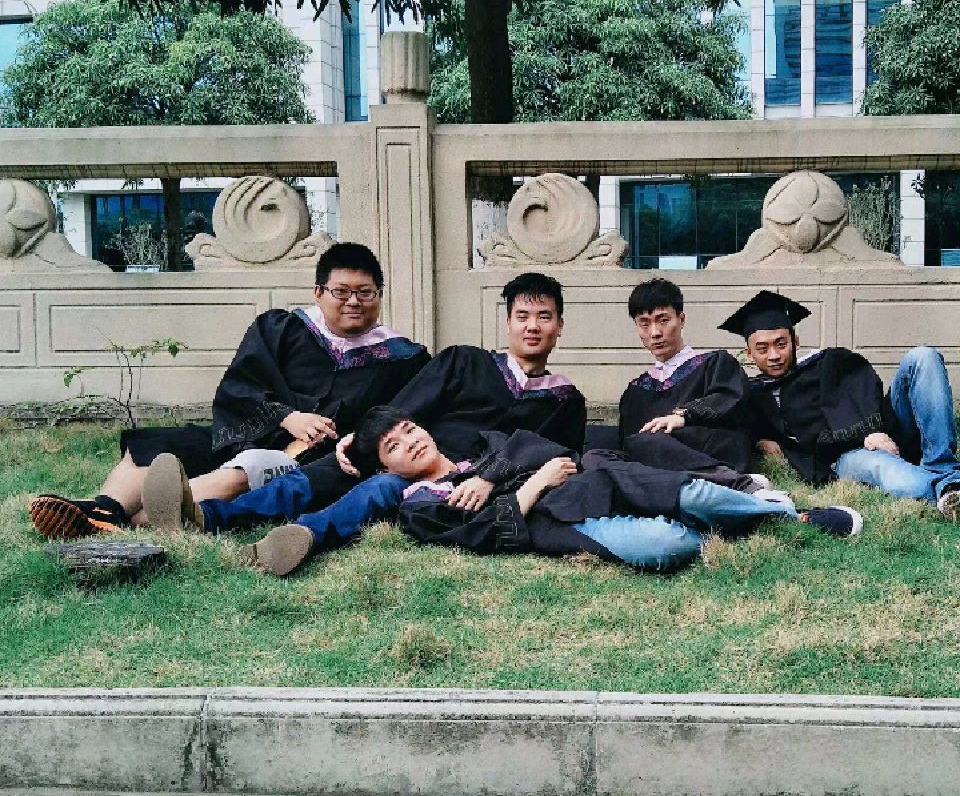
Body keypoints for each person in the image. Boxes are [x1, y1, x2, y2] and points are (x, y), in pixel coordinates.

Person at [29, 243, 430, 539]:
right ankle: (104, 508)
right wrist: (287, 416)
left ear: (379, 295)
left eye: (366, 292)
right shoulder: (282, 329)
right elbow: (239, 386)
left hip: (305, 455)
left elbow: (397, 419)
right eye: (341, 292)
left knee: (246, 469)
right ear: (318, 293)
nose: (354, 302)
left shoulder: (401, 357)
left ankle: (130, 522)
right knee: (159, 445)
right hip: (246, 429)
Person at [141, 272, 587, 535]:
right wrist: (360, 439)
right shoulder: (465, 361)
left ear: (561, 326)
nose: (532, 327)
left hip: (459, 481)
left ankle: (294, 533)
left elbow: (549, 456)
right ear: (508, 322)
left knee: (377, 489)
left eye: (543, 317)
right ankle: (205, 516)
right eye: (522, 316)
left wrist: (489, 479)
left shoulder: (565, 400)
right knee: (316, 476)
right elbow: (405, 406)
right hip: (406, 453)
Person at [240, 407, 862, 577]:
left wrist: (496, 476)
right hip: (558, 521)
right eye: (394, 447)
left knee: (695, 497)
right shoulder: (419, 504)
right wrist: (533, 485)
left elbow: (544, 446)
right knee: (669, 545)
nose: (410, 442)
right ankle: (741, 517)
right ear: (387, 468)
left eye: (408, 429)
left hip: (603, 480)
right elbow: (486, 535)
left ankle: (792, 516)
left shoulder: (479, 448)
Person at [721, 289, 960, 522]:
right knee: (884, 469)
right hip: (847, 455)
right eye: (762, 349)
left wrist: (870, 429)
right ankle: (948, 488)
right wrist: (760, 440)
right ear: (749, 353)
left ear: (796, 341)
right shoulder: (751, 395)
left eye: (781, 344)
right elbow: (738, 428)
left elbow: (861, 388)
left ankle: (942, 466)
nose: (774, 355)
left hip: (887, 427)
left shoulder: (827, 363)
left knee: (923, 357)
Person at [602, 277, 756, 495]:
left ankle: (734, 481)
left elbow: (731, 402)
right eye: (644, 323)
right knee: (599, 455)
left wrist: (684, 416)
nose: (655, 332)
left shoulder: (714, 363)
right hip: (655, 461)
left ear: (681, 320)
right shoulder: (637, 389)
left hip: (707, 451)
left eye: (663, 320)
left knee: (646, 442)